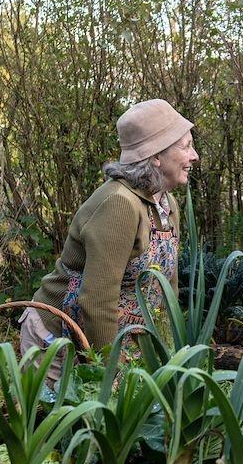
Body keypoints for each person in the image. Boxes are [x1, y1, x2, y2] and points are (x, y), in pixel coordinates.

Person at [20, 99, 200, 383]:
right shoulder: (119, 204)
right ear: (156, 156)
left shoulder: (167, 204)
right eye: (185, 146)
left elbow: (167, 288)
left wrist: (167, 351)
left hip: (115, 342)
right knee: (62, 425)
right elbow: (97, 300)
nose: (194, 156)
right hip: (59, 342)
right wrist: (109, 375)